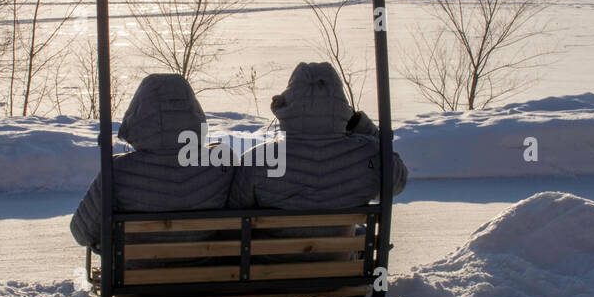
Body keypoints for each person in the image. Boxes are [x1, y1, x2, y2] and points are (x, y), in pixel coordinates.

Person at [70, 73, 232, 251]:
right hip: (207, 267)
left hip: (134, 273)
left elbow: (82, 233)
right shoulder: (222, 161)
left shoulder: (119, 170)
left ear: (138, 114)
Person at [230, 61, 407, 210]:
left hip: (273, 251)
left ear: (287, 106)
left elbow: (235, 214)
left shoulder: (258, 160)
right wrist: (362, 126)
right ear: (341, 106)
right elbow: (396, 183)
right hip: (342, 250)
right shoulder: (369, 153)